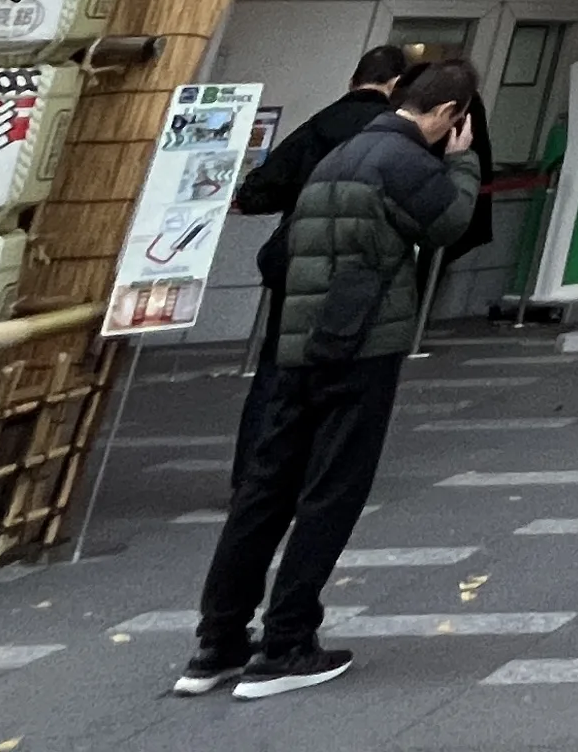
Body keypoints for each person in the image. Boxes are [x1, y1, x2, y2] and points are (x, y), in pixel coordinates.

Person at [177, 57, 485, 700]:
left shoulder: (340, 153)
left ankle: (218, 641)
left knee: (266, 489)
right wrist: (462, 162)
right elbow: (449, 224)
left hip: (296, 344)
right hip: (360, 343)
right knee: (331, 490)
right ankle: (286, 642)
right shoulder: (404, 161)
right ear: (450, 115)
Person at [225, 45, 412, 488]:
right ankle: (314, 475)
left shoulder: (317, 126)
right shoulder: (392, 137)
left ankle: (253, 476)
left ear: (353, 81)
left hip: (296, 258)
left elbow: (257, 193)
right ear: (396, 86)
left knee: (275, 368)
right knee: (345, 373)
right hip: (358, 270)